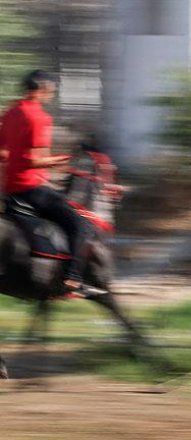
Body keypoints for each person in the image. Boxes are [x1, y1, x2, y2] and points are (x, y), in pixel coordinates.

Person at [0, 69, 89, 294]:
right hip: (32, 189)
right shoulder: (39, 117)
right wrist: (59, 161)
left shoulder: (9, 113)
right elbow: (35, 160)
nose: (52, 95)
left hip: (11, 190)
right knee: (80, 225)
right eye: (52, 91)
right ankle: (72, 278)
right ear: (42, 89)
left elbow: (2, 153)